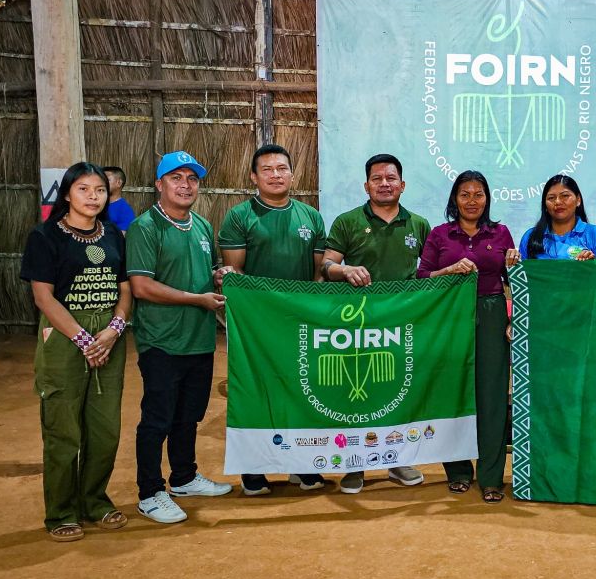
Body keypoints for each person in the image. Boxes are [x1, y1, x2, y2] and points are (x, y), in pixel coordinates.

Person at [19, 162, 132, 542]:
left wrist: (114, 330)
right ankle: (61, 511)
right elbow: (43, 297)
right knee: (63, 430)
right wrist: (85, 341)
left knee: (105, 430)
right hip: (65, 340)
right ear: (67, 193)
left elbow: (125, 288)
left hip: (110, 339)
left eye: (99, 190)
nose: (93, 197)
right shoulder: (45, 236)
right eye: (83, 189)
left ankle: (95, 501)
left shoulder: (113, 234)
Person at [126, 151, 232, 524]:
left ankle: (184, 477)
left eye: (192, 178)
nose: (185, 185)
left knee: (189, 415)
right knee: (157, 419)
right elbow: (141, 286)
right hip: (162, 341)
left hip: (199, 339)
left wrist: (218, 276)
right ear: (159, 184)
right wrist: (197, 299)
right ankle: (150, 492)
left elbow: (206, 271)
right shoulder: (145, 227)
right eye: (176, 178)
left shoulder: (201, 225)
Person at [218, 143, 329, 496]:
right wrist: (264, 311)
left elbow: (317, 275)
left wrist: (307, 312)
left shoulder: (311, 217)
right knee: (256, 393)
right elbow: (235, 275)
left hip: (299, 323)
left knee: (301, 391)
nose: (275, 175)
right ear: (254, 177)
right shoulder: (239, 216)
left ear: (292, 175)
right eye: (267, 169)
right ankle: (253, 470)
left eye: (282, 169)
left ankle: (302, 465)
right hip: (256, 326)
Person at [322, 153, 431, 494]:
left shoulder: (419, 225)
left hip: (403, 326)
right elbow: (326, 266)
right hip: (358, 326)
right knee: (357, 396)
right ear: (366, 185)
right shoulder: (347, 222)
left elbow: (430, 274)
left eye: (391, 178)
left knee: (398, 393)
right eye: (377, 178)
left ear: (403, 184)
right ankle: (355, 465)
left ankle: (397, 461)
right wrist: (345, 270)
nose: (385, 183)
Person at [418, 170, 519, 504]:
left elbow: (514, 281)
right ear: (454, 199)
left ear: (487, 199)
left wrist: (512, 316)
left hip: (491, 315)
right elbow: (421, 278)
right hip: (450, 318)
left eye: (478, 194)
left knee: (492, 396)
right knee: (454, 392)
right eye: (465, 194)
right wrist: (447, 270)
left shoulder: (501, 233)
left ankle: (491, 477)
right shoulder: (439, 234)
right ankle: (458, 471)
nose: (472, 201)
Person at [519, 174, 596, 260]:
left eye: (565, 196)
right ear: (545, 205)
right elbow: (522, 271)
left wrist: (591, 264)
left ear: (578, 200)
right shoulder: (530, 236)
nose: (558, 202)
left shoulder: (595, 234)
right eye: (551, 198)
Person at [101, 166, 135, 233]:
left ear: (119, 183)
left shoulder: (125, 211)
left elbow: (121, 237)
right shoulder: (96, 205)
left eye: (107, 180)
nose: (102, 183)